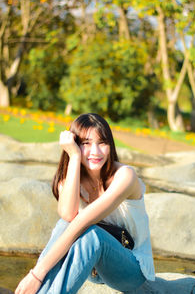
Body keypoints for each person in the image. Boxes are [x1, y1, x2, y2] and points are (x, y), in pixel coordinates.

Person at [15, 113, 155, 294]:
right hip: (92, 269)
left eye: (102, 143)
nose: (95, 152)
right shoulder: (71, 180)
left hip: (130, 270)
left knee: (92, 234)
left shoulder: (125, 177)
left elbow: (81, 223)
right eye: (86, 144)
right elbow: (67, 217)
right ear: (74, 145)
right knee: (65, 224)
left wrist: (36, 275)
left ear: (110, 146)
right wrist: (74, 157)